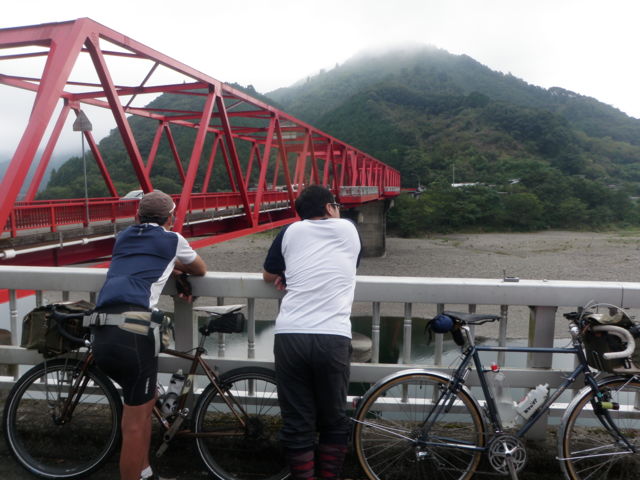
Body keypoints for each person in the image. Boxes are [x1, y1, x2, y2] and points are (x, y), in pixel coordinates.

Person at [91, 190, 207, 480]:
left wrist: (169, 267)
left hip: (102, 332)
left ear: (136, 216)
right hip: (134, 334)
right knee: (134, 423)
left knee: (140, 413)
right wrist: (176, 268)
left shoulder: (123, 238)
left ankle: (145, 473)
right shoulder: (172, 239)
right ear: (171, 218)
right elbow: (200, 269)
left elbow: (138, 263)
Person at [262, 185, 361, 480]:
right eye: (335, 205)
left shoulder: (290, 231)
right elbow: (348, 264)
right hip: (332, 336)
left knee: (297, 422)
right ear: (330, 207)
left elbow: (268, 275)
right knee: (334, 420)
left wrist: (285, 274)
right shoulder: (349, 229)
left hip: (290, 334)